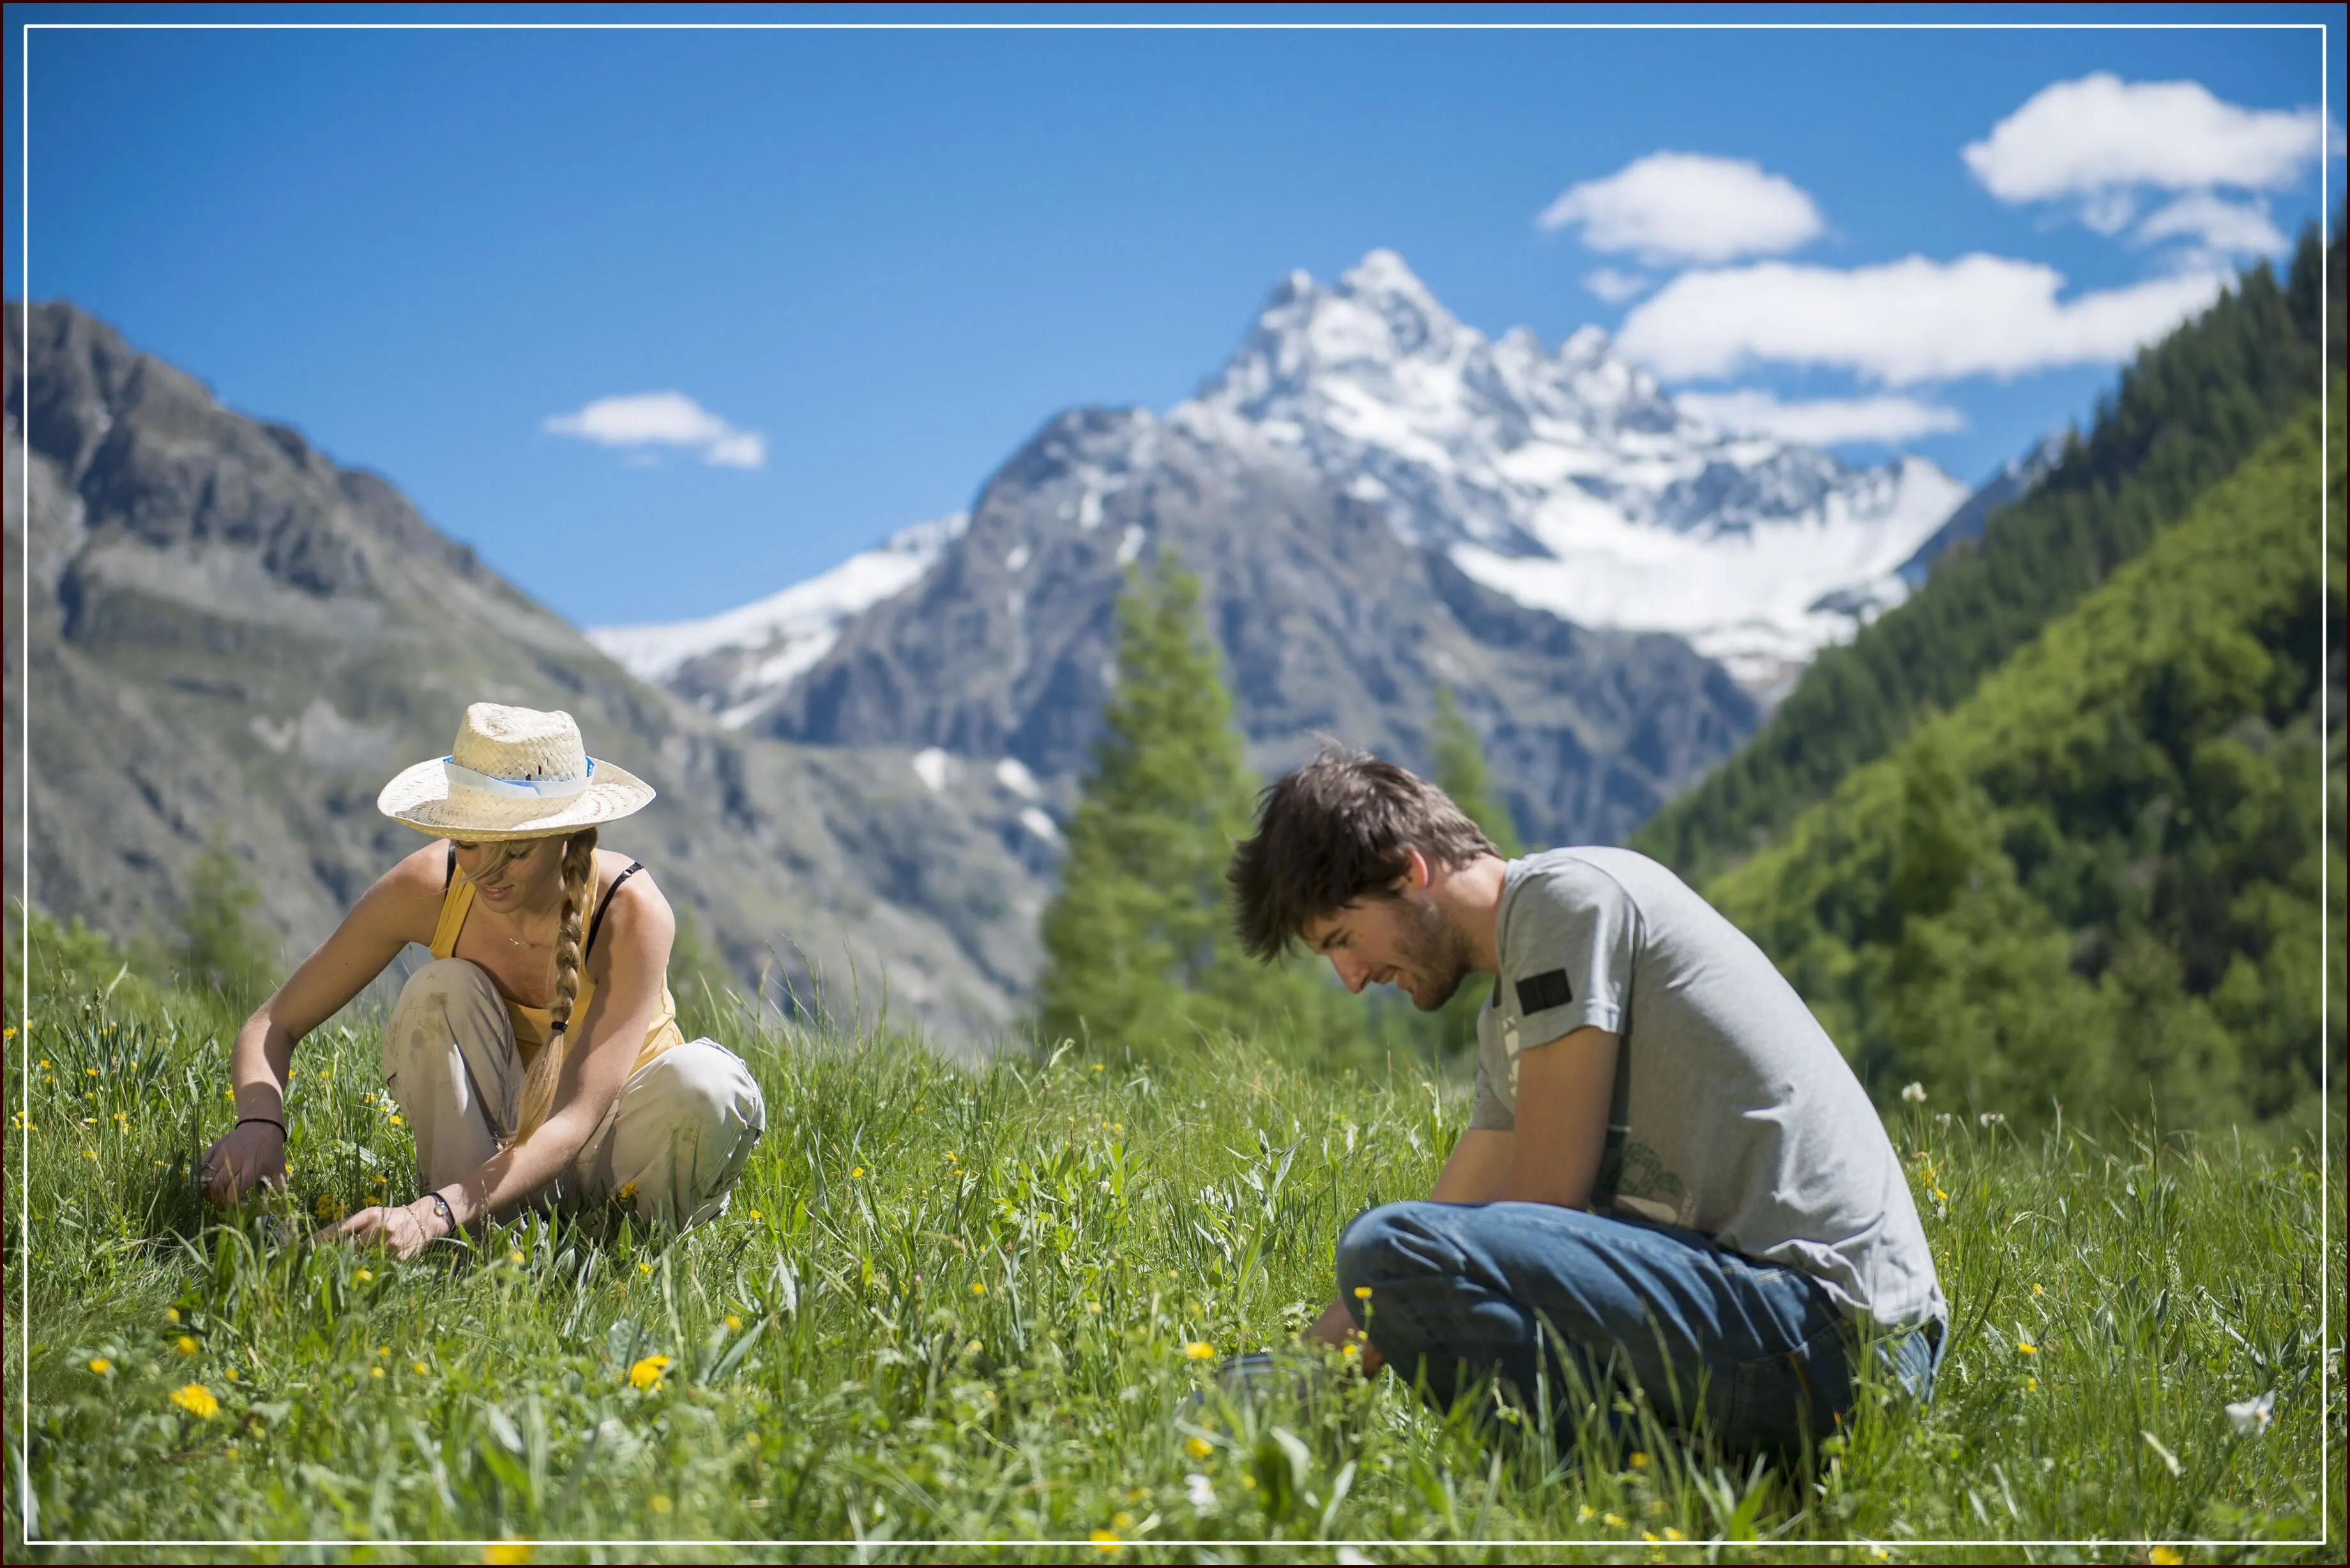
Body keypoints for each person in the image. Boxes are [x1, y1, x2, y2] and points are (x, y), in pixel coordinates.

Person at [1227, 744, 1944, 1459]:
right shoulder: (1509, 1019)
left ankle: (1636, 1480)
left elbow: (1540, 1201)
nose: (1350, 977)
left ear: (1408, 870)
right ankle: (1677, 1478)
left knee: (1386, 1248)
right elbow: (1448, 1225)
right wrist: (1297, 1372)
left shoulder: (1565, 901)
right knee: (1394, 1254)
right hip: (1777, 1329)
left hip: (1841, 1337)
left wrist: (1324, 1364)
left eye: (1343, 939)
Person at [200, 702, 766, 1256]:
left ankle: (611, 1255)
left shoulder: (630, 910)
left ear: (566, 835)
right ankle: (476, 1247)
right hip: (485, 1164)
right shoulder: (429, 885)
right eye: (469, 843)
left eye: (515, 852)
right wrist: (259, 1123)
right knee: (437, 991)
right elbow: (272, 1023)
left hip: (617, 1150)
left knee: (709, 1082)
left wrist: (432, 1211)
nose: (486, 874)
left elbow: (574, 1118)